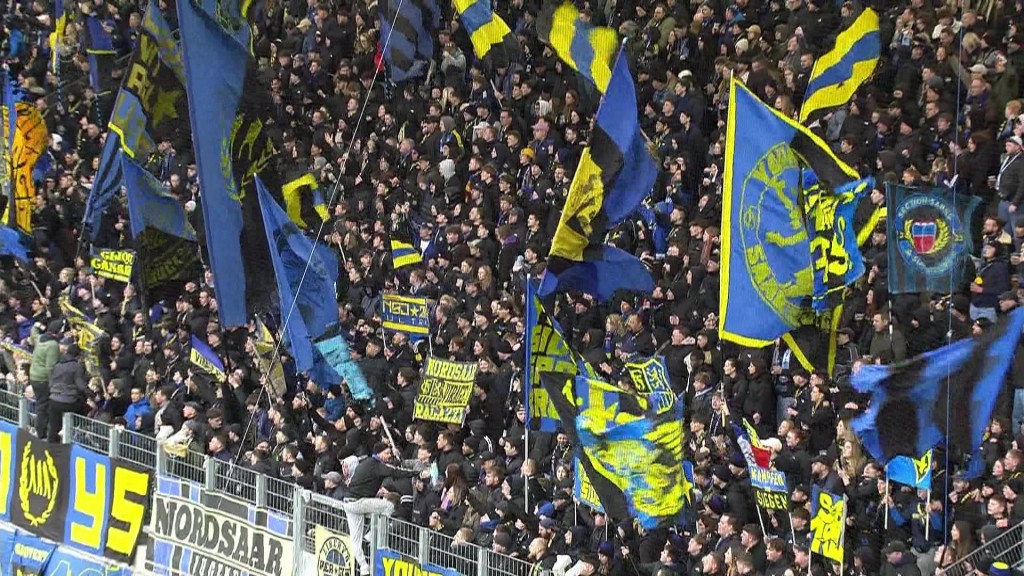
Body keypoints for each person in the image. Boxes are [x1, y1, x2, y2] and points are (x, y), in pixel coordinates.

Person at [341, 441, 420, 575]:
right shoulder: (377, 465)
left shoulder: (366, 462)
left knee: (355, 539)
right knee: (389, 506)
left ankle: (364, 567)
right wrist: (416, 473)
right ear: (379, 453)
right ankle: (372, 535)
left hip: (348, 503)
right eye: (387, 453)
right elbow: (396, 472)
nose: (389, 455)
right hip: (359, 502)